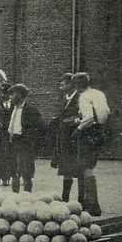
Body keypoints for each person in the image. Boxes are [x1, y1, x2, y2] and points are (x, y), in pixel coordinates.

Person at [72, 72, 110, 216]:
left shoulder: (83, 97)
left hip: (88, 133)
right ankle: (93, 203)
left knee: (86, 168)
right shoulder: (98, 94)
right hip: (99, 131)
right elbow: (106, 112)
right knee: (89, 166)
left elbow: (88, 118)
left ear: (78, 85)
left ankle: (92, 205)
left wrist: (78, 128)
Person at [6, 83, 43, 193]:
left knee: (26, 172)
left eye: (12, 94)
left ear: (20, 95)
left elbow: (39, 128)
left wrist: (28, 140)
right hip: (12, 142)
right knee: (14, 172)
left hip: (24, 144)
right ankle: (15, 196)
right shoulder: (12, 108)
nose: (10, 97)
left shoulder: (31, 110)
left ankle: (27, 196)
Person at [50, 73, 82, 201]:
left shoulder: (80, 98)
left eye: (62, 85)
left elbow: (82, 116)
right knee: (67, 171)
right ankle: (65, 198)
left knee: (79, 171)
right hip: (64, 140)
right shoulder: (64, 99)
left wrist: (70, 121)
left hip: (76, 139)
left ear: (71, 84)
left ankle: (82, 199)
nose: (60, 87)